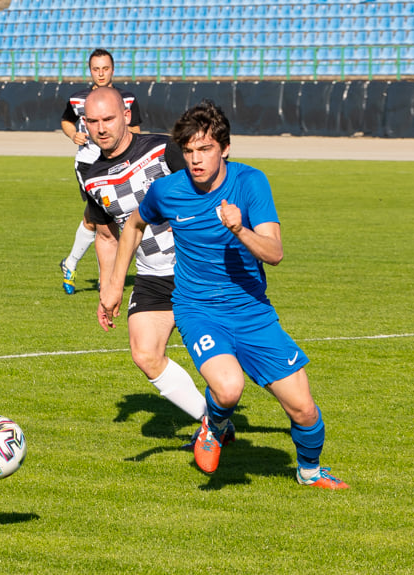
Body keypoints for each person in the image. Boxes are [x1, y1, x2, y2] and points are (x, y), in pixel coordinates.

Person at [101, 100, 348, 489]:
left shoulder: (251, 183)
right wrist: (115, 284)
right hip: (198, 309)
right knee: (229, 387)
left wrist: (239, 229)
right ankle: (213, 427)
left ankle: (309, 472)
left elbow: (275, 253)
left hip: (252, 311)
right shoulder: (167, 190)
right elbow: (132, 226)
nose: (196, 160)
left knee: (304, 410)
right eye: (189, 151)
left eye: (205, 149)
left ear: (225, 148)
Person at [80, 87, 219, 441]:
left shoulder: (164, 149)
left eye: (108, 119)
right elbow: (108, 236)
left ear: (126, 115)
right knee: (145, 354)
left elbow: (211, 189)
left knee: (228, 365)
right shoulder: (90, 174)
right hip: (152, 276)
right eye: (92, 121)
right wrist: (107, 288)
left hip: (197, 271)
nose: (101, 128)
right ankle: (214, 424)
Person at [59, 48, 143, 294]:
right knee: (106, 224)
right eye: (96, 69)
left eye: (105, 68)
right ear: (90, 71)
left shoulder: (126, 99)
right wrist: (73, 133)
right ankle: (106, 282)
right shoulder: (78, 99)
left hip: (118, 166)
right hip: (88, 166)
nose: (101, 73)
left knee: (93, 219)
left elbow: (136, 131)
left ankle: (71, 263)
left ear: (113, 70)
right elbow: (66, 120)